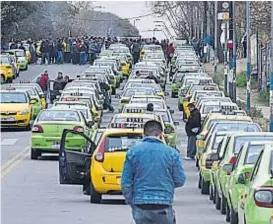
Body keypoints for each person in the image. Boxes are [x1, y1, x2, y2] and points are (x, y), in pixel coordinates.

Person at [121, 120, 186, 224]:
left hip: (141, 204)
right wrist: (166, 186)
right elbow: (180, 180)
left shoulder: (133, 152)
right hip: (163, 205)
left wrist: (131, 201)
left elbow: (125, 183)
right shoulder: (171, 153)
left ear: (144, 134)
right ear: (161, 134)